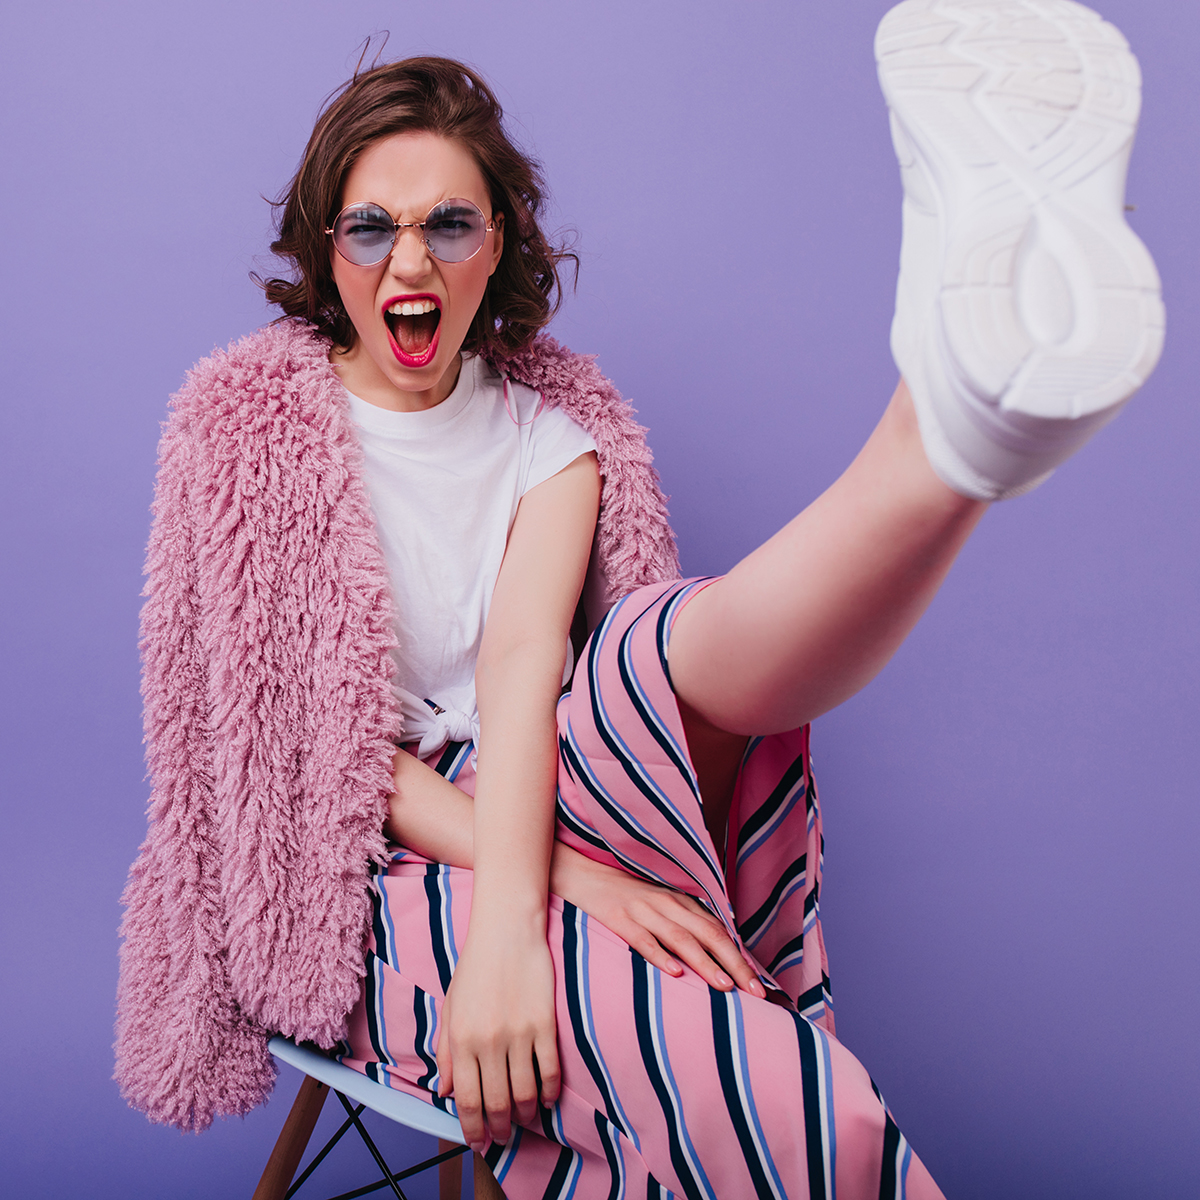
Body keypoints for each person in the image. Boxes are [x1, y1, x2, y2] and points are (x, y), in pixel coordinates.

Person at [115, 2, 1163, 1197]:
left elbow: (524, 669)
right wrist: (550, 899)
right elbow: (309, 755)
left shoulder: (559, 442)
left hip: (540, 778)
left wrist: (540, 880)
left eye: (449, 224)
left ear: (496, 243)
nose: (410, 263)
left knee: (650, 642)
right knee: (789, 1095)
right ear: (328, 246)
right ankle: (964, 434)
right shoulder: (245, 438)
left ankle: (944, 427)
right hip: (362, 861)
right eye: (372, 229)